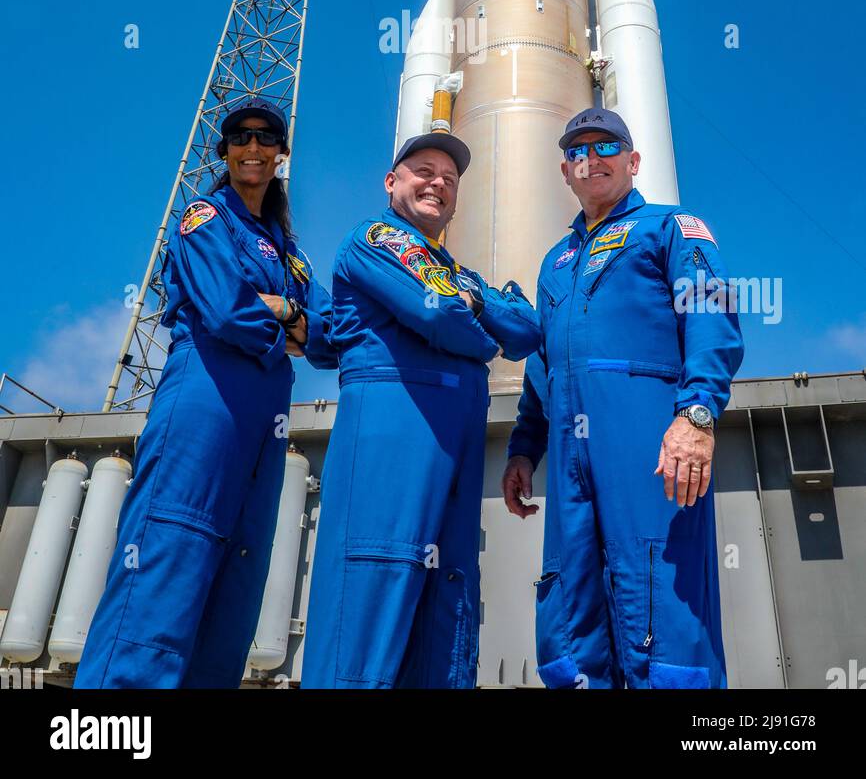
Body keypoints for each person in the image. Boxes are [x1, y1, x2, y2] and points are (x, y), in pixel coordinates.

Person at [75, 95, 335, 689]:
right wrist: (287, 323)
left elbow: (331, 337)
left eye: (265, 138)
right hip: (206, 401)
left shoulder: (293, 257)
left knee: (237, 580)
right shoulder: (205, 217)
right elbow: (227, 313)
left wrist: (283, 308)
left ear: (280, 153)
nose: (253, 147)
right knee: (171, 555)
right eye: (241, 137)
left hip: (265, 426)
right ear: (225, 152)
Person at [502, 107, 744, 690]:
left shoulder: (670, 228)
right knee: (571, 596)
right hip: (569, 458)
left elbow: (711, 315)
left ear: (633, 161)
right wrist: (523, 448)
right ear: (565, 171)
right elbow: (543, 361)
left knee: (658, 588)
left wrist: (696, 415)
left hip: (648, 444)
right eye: (578, 151)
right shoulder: (555, 263)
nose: (592, 159)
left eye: (605, 146)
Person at [301, 132, 540, 689]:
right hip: (393, 435)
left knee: (445, 600)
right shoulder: (375, 239)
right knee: (374, 588)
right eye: (424, 171)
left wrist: (472, 304)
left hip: (454, 446)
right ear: (391, 182)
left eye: (449, 179)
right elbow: (440, 316)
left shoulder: (459, 274)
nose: (438, 183)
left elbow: (527, 330)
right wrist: (483, 329)